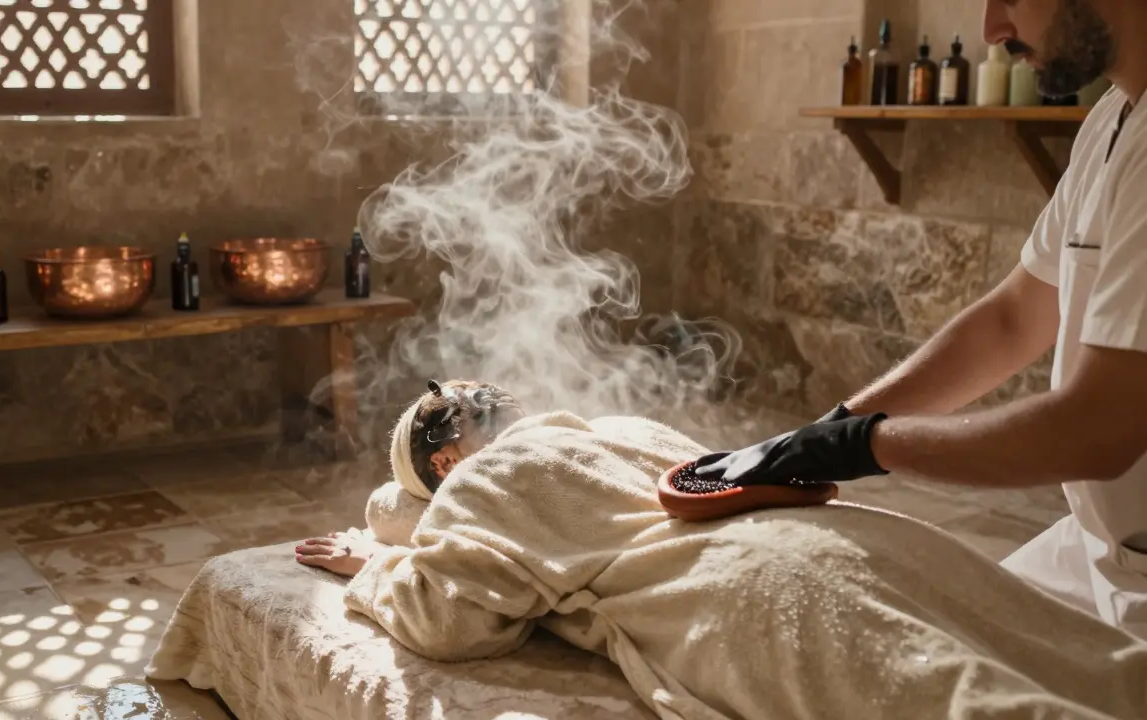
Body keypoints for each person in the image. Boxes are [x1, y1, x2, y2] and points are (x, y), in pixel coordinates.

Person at [686, 0, 1147, 640]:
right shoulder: (1113, 119)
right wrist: (834, 428)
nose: (992, 29)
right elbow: (1015, 318)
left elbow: (1096, 429)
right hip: (1098, 553)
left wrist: (865, 446)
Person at [297, 379, 1147, 720]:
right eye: (446, 402)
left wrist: (376, 567)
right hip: (823, 553)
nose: (473, 388)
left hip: (768, 579)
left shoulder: (565, 447)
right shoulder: (531, 464)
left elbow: (449, 619)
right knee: (1051, 664)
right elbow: (453, 604)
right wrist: (394, 549)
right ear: (445, 461)